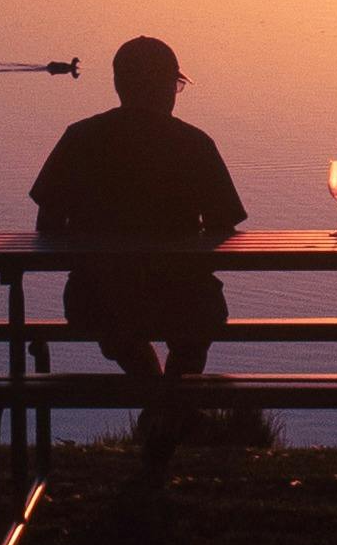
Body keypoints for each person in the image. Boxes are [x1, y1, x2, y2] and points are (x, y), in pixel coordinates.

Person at [29, 35, 248, 469]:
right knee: (202, 317)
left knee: (115, 318)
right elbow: (225, 228)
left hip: (98, 301)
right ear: (167, 86)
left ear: (118, 86)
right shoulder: (194, 144)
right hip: (183, 299)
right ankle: (171, 410)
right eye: (176, 86)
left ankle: (161, 408)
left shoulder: (80, 138)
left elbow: (48, 228)